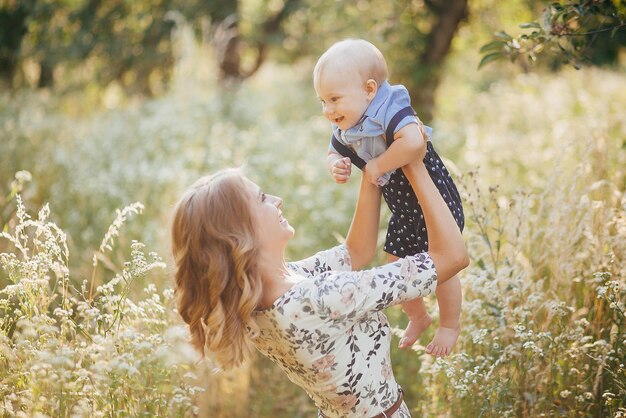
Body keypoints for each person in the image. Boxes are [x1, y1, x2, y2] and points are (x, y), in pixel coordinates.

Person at [170, 151, 469, 417]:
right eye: (262, 198)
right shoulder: (318, 297)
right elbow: (453, 257)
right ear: (240, 233)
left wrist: (370, 160)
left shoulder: (265, 298)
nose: (277, 200)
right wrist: (415, 164)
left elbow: (356, 251)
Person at [313, 38, 465, 356]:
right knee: (396, 265)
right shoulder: (349, 125)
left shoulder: (391, 107)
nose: (328, 110)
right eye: (322, 101)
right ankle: (418, 315)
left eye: (334, 99)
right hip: (405, 212)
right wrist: (335, 165)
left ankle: (449, 325)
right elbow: (333, 150)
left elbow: (412, 143)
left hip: (435, 201)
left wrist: (377, 165)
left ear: (370, 89)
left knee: (442, 267)